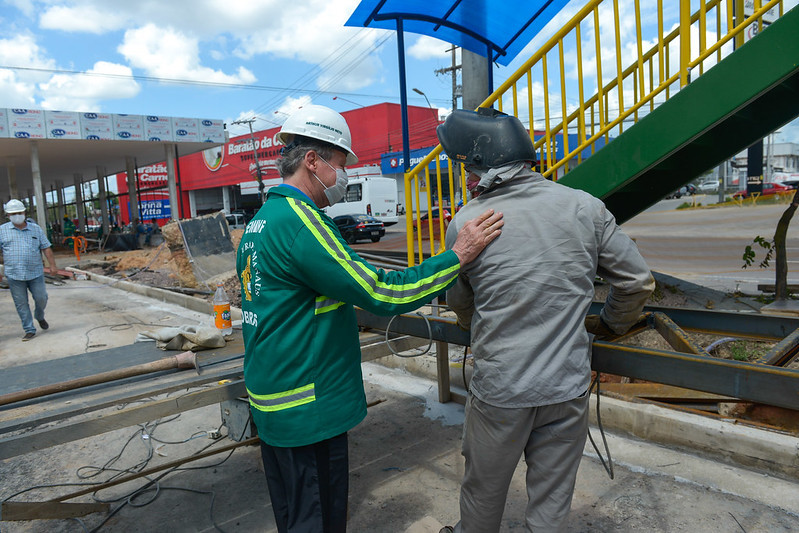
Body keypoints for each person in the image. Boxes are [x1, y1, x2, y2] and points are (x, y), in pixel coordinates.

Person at [235, 104, 504, 533]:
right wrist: (457, 257)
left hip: (274, 401)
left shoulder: (262, 222)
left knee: (294, 515)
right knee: (317, 520)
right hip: (308, 408)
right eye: (340, 165)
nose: (343, 177)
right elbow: (382, 291)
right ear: (312, 161)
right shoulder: (302, 223)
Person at [437, 108, 655, 533]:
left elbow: (461, 303)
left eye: (466, 166)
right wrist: (611, 324)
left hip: (502, 389)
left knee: (484, 491)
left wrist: (478, 324)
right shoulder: (586, 208)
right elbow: (637, 282)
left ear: (484, 167)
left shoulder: (469, 222)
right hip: (567, 385)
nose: (464, 177)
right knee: (553, 500)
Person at [0, 199, 58, 341]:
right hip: (14, 275)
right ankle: (29, 329)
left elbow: (46, 247)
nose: (17, 216)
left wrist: (52, 265)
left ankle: (39, 315)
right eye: (13, 214)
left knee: (41, 298)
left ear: (24, 212)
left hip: (35, 273)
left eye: (19, 213)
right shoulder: (2, 231)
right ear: (8, 215)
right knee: (21, 304)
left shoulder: (35, 229)